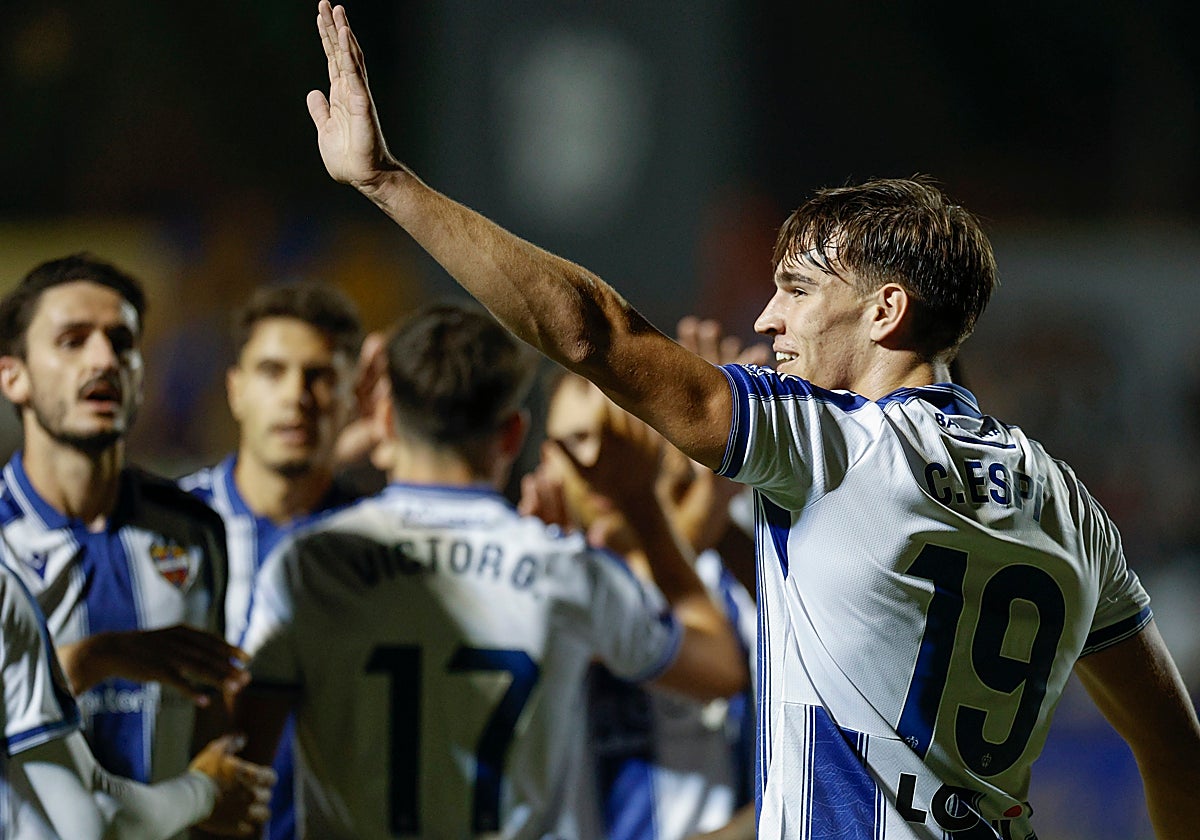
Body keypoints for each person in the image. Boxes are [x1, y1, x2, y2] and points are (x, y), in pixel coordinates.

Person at [305, 3, 1200, 837]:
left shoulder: (833, 446)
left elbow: (589, 332)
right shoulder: (1066, 502)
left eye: (798, 290)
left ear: (886, 311)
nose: (768, 318)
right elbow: (1175, 749)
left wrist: (388, 183)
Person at [233, 302, 747, 839]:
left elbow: (238, 775)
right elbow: (718, 668)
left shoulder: (308, 564)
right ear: (512, 435)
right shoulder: (566, 570)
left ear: (384, 420)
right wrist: (642, 503)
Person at [0, 254, 244, 796]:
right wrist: (96, 658)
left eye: (121, 342)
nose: (104, 359)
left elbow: (208, 708)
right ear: (13, 377)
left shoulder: (194, 530)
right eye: (72, 341)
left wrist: (217, 797)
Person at [524, 368, 756, 840]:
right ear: (548, 460)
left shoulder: (727, 586)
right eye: (579, 439)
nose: (603, 460)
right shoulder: (531, 583)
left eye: (624, 435)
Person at [180, 280, 368, 840]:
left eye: (319, 375)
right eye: (272, 371)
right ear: (235, 390)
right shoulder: (168, 530)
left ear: (352, 396)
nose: (296, 396)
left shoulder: (382, 545)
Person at [0, 557, 275, 839]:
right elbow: (96, 821)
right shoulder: (6, 582)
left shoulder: (197, 538)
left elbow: (210, 716)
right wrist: (205, 792)